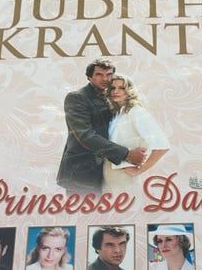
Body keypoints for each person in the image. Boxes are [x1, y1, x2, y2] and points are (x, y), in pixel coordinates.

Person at [56, 59, 147, 194]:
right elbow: (85, 135)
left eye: (109, 74)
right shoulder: (77, 97)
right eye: (99, 74)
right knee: (85, 208)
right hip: (82, 171)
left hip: (111, 169)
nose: (105, 79)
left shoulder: (115, 97)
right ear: (89, 77)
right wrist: (126, 154)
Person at [103, 74, 170, 192]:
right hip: (109, 174)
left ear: (129, 90)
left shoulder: (137, 112)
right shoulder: (118, 114)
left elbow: (162, 146)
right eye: (113, 88)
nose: (115, 91)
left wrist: (139, 171)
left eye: (121, 88)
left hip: (123, 175)